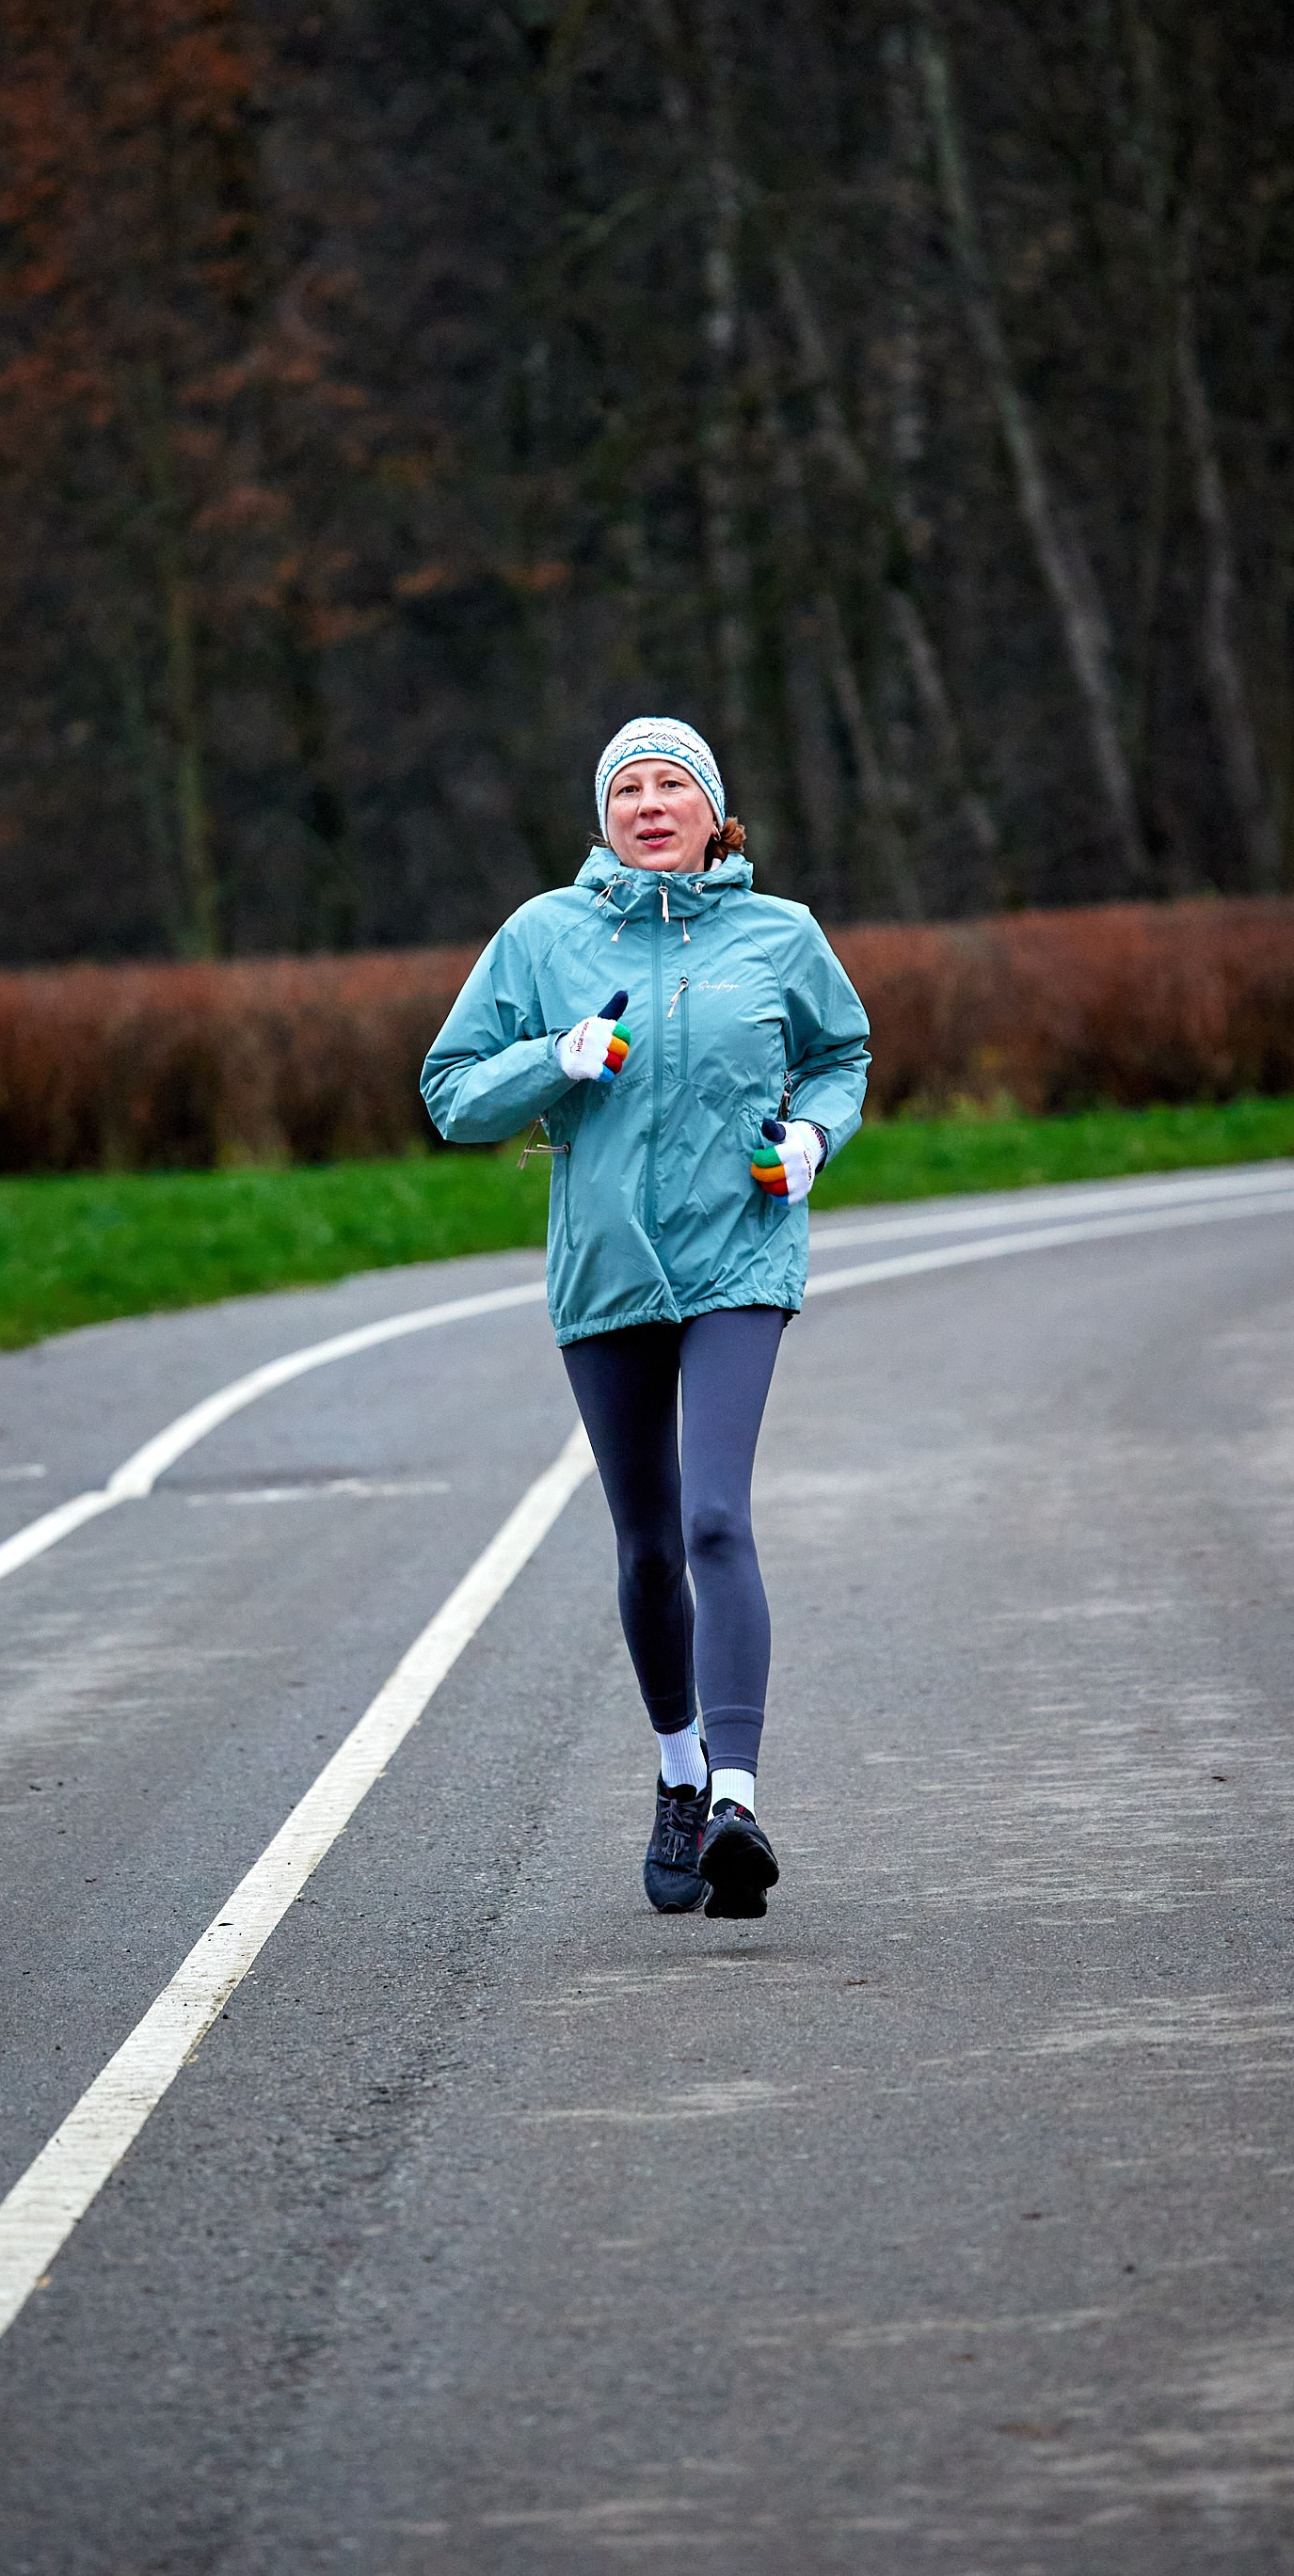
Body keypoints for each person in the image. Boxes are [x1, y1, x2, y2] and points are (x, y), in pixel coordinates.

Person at [421, 716, 870, 1919]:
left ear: (713, 810)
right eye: (629, 787)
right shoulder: (541, 936)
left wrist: (815, 1137)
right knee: (648, 1544)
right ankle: (676, 1770)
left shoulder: (779, 934)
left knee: (717, 1516)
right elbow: (450, 1092)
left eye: (674, 783)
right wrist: (554, 1060)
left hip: (739, 1257)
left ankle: (735, 1798)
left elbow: (843, 1053)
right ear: (604, 816)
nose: (650, 803)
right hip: (607, 1275)